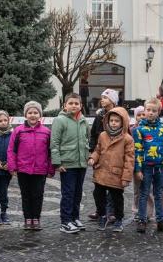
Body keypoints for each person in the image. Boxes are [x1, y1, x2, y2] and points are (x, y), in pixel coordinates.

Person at [8, 101, 54, 231]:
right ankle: (27, 218)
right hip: (23, 169)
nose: (33, 115)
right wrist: (12, 166)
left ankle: (36, 219)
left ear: (40, 115)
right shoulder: (18, 131)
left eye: (35, 112)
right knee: (26, 195)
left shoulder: (46, 132)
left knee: (38, 195)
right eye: (30, 112)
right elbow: (11, 150)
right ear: (25, 115)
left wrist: (51, 168)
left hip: (40, 170)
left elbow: (50, 152)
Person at [133, 98, 163, 234]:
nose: (151, 113)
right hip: (146, 166)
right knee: (144, 193)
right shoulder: (139, 130)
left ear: (159, 112)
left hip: (160, 166)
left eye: (154, 110)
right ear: (144, 111)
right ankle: (142, 219)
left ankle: (160, 220)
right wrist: (138, 169)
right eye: (148, 110)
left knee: (159, 193)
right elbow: (137, 150)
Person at [88, 106, 134, 232]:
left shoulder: (127, 139)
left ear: (123, 122)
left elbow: (129, 160)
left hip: (116, 175)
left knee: (117, 199)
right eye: (111, 120)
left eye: (117, 121)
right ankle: (102, 216)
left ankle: (118, 219)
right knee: (98, 195)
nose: (113, 123)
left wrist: (126, 177)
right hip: (101, 172)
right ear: (107, 121)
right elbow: (98, 150)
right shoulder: (103, 135)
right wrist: (93, 158)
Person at [51, 93, 89, 234]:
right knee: (68, 193)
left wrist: (87, 156)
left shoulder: (83, 120)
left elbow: (86, 139)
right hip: (67, 163)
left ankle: (75, 218)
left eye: (76, 103)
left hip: (81, 163)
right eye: (71, 103)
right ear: (65, 105)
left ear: (81, 106)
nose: (74, 105)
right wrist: (57, 163)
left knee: (78, 193)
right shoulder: (60, 120)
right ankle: (65, 221)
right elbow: (54, 143)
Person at [88, 88, 119, 221]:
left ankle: (111, 211)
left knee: (112, 185)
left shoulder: (118, 115)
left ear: (112, 100)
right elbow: (94, 134)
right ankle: (100, 210)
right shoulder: (99, 115)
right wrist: (92, 150)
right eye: (102, 97)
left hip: (114, 155)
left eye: (105, 98)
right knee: (99, 185)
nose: (102, 100)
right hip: (99, 154)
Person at [129, 105, 153, 221]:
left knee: (148, 190)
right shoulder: (132, 130)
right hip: (136, 163)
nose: (141, 117)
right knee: (137, 190)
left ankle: (148, 212)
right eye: (139, 115)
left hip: (148, 162)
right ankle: (136, 211)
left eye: (143, 114)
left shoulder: (152, 129)